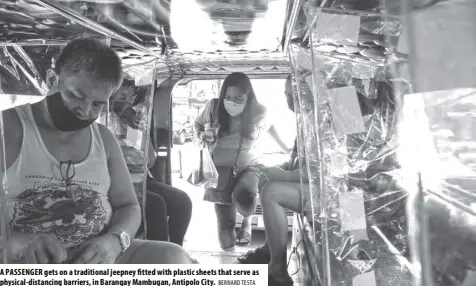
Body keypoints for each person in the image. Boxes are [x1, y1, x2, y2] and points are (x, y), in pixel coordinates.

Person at [0, 38, 192, 264]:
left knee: (173, 257)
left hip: (98, 256)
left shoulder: (103, 138)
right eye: (75, 96)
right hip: (26, 259)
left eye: (97, 104)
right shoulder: (8, 129)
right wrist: (18, 242)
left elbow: (129, 206)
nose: (84, 110)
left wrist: (115, 240)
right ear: (53, 80)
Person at [194, 72, 290, 250]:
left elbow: (270, 128)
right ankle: (231, 257)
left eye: (238, 98)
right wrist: (202, 134)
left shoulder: (258, 111)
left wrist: (287, 150)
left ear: (248, 96)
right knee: (225, 235)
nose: (232, 102)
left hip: (250, 164)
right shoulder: (213, 107)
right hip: (219, 168)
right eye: (228, 97)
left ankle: (246, 222)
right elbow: (197, 124)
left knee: (244, 197)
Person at [237, 75, 312, 286]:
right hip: (314, 188)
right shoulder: (307, 119)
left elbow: (324, 171)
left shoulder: (324, 118)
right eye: (286, 94)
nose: (289, 99)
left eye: (293, 93)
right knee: (265, 180)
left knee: (272, 192)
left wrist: (286, 175)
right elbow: (300, 158)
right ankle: (269, 249)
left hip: (339, 195)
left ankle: (278, 269)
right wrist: (283, 167)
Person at [110, 81, 193, 246]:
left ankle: (175, 251)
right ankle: (158, 257)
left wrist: (136, 130)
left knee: (182, 201)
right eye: (121, 96)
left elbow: (149, 159)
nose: (126, 102)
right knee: (155, 204)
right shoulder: (104, 118)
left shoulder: (132, 124)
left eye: (130, 97)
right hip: (115, 182)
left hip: (139, 179)